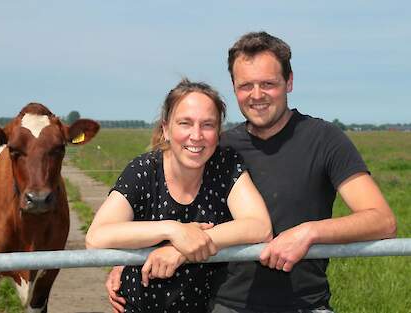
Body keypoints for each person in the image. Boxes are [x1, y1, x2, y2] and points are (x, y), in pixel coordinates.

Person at [106, 31, 397, 313]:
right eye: (246, 86)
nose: (256, 95)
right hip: (226, 303)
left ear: (289, 82)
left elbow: (382, 220)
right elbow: (178, 209)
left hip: (304, 303)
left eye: (268, 83)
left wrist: (309, 232)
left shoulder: (324, 140)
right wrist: (130, 259)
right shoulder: (217, 148)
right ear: (234, 87)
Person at [86, 78, 272, 313]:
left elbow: (260, 226)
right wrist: (173, 230)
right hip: (139, 306)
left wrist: (182, 250)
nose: (196, 135)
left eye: (207, 125)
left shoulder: (225, 166)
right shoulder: (144, 170)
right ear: (166, 129)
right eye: (185, 123)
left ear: (218, 132)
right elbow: (96, 237)